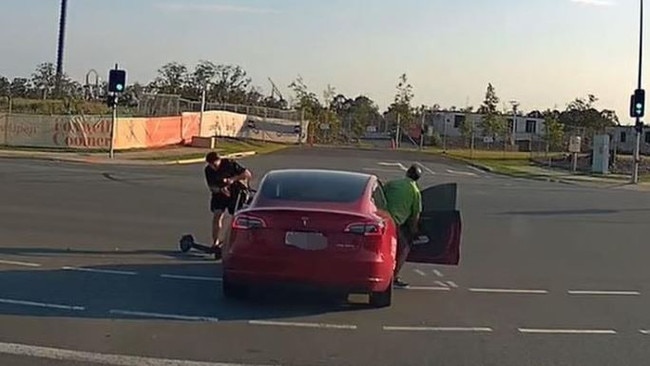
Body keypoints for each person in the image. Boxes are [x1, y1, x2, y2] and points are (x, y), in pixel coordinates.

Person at [204, 151, 252, 258]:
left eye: (215, 165)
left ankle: (230, 241)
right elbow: (212, 187)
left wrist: (232, 179)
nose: (214, 167)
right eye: (211, 165)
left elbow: (247, 174)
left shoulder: (229, 164)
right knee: (217, 215)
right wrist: (221, 189)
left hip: (236, 192)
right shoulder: (208, 171)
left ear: (219, 160)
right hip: (219, 194)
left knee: (234, 217)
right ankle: (215, 242)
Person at [383, 164, 423, 288]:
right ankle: (393, 277)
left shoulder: (392, 183)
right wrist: (414, 231)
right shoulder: (415, 192)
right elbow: (415, 214)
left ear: (407, 172)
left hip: (380, 219)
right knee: (404, 248)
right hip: (394, 223)